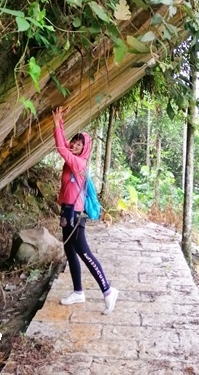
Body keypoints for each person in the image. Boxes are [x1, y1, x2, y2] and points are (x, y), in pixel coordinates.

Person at [52, 106, 119, 315]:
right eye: (75, 141)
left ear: (85, 149)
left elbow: (61, 149)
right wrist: (60, 123)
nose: (74, 145)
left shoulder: (78, 163)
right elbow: (64, 145)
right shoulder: (72, 159)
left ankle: (108, 291)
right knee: (70, 251)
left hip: (76, 214)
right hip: (67, 212)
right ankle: (78, 292)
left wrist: (55, 125)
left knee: (83, 252)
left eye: (79, 144)